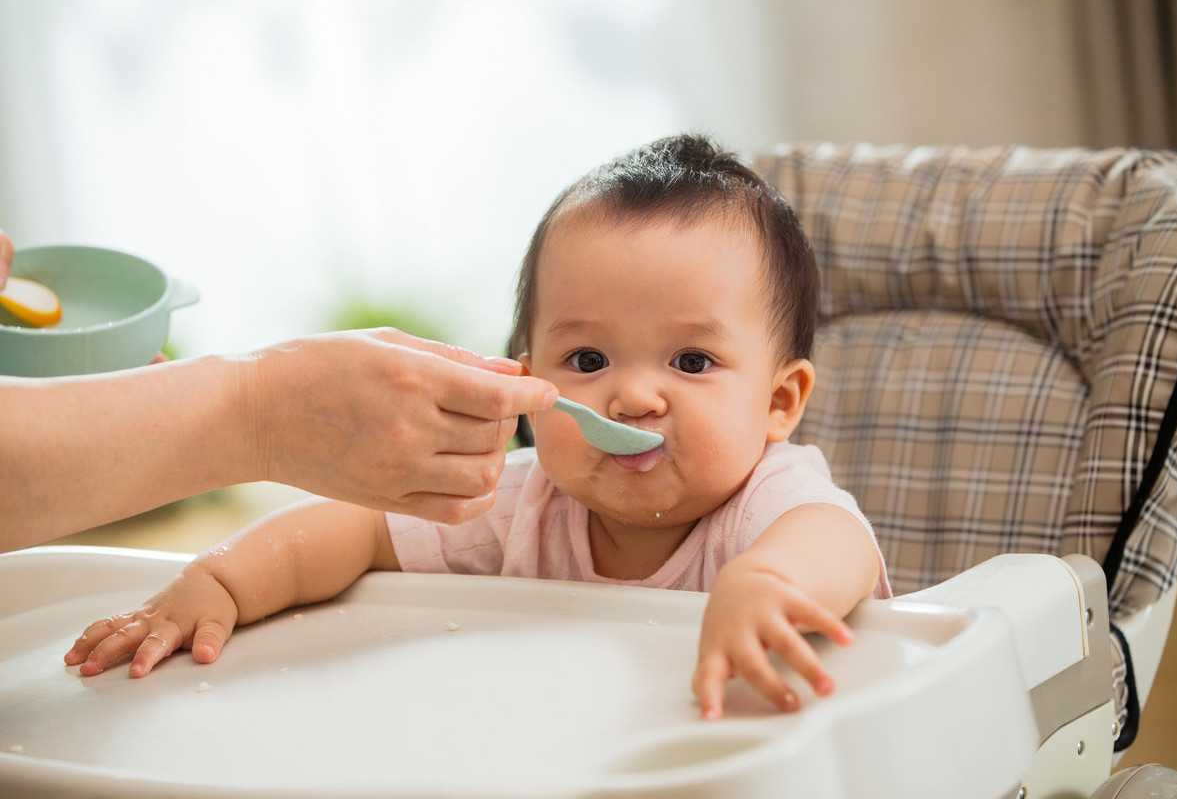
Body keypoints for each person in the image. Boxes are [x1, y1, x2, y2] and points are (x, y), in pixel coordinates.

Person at [65, 135, 890, 721]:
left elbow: (833, 542)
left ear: (781, 403)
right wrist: (221, 581)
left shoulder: (766, 508)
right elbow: (356, 529)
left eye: (692, 362)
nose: (634, 398)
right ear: (525, 375)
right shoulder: (524, 500)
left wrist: (769, 587)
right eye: (589, 359)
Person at [0, 228, 558, 552]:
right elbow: (345, 539)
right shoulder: (512, 510)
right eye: (589, 359)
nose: (640, 399)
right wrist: (259, 412)